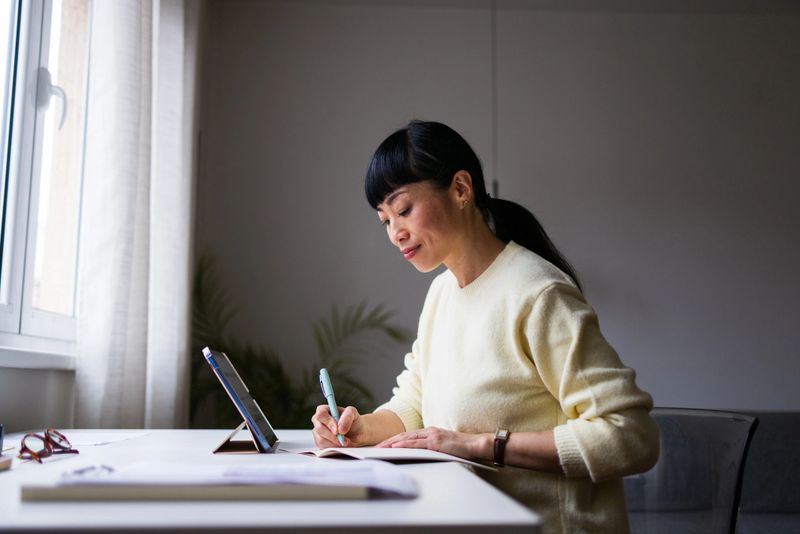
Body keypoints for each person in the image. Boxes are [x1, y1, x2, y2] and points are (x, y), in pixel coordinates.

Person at [311, 120, 659, 533]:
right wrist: (359, 429)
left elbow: (631, 436)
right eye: (384, 220)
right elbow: (415, 404)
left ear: (461, 189)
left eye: (403, 209)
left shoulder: (537, 293)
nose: (395, 233)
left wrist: (481, 446)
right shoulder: (442, 293)